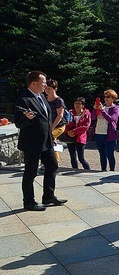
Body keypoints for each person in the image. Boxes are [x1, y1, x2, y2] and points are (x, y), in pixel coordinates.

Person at [14, 70, 67, 211]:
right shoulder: (24, 99)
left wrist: (51, 138)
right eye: (43, 83)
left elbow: (47, 119)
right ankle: (29, 202)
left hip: (47, 141)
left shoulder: (42, 97)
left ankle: (48, 196)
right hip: (32, 143)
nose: (45, 85)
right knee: (30, 173)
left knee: (52, 166)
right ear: (33, 83)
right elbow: (19, 122)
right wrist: (26, 118)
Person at [93, 89, 119, 172]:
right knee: (102, 154)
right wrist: (94, 109)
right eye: (105, 97)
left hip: (109, 135)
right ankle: (103, 170)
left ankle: (112, 171)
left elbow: (111, 119)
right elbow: (93, 118)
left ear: (113, 98)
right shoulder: (102, 107)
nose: (106, 99)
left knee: (110, 154)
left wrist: (103, 111)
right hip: (98, 133)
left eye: (108, 97)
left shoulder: (115, 108)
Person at [65, 97, 91, 170]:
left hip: (80, 137)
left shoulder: (87, 113)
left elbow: (86, 126)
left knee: (81, 158)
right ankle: (75, 169)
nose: (77, 105)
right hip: (70, 136)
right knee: (72, 157)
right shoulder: (70, 112)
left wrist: (74, 131)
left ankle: (88, 170)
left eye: (79, 103)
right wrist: (68, 131)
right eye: (75, 103)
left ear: (83, 105)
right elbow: (65, 123)